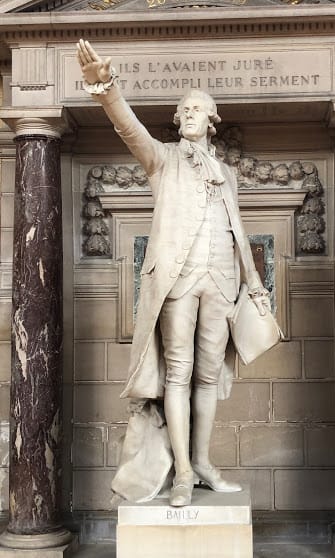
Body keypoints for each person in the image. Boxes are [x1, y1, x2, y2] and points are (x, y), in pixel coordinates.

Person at [76, 39, 271, 507]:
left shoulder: (229, 172)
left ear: (211, 119)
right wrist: (105, 87)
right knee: (177, 376)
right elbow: (129, 130)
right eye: (183, 108)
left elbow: (238, 230)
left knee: (208, 377)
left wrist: (254, 283)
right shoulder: (162, 159)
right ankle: (182, 472)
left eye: (196, 108)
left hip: (221, 280)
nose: (187, 113)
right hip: (179, 280)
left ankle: (202, 461)